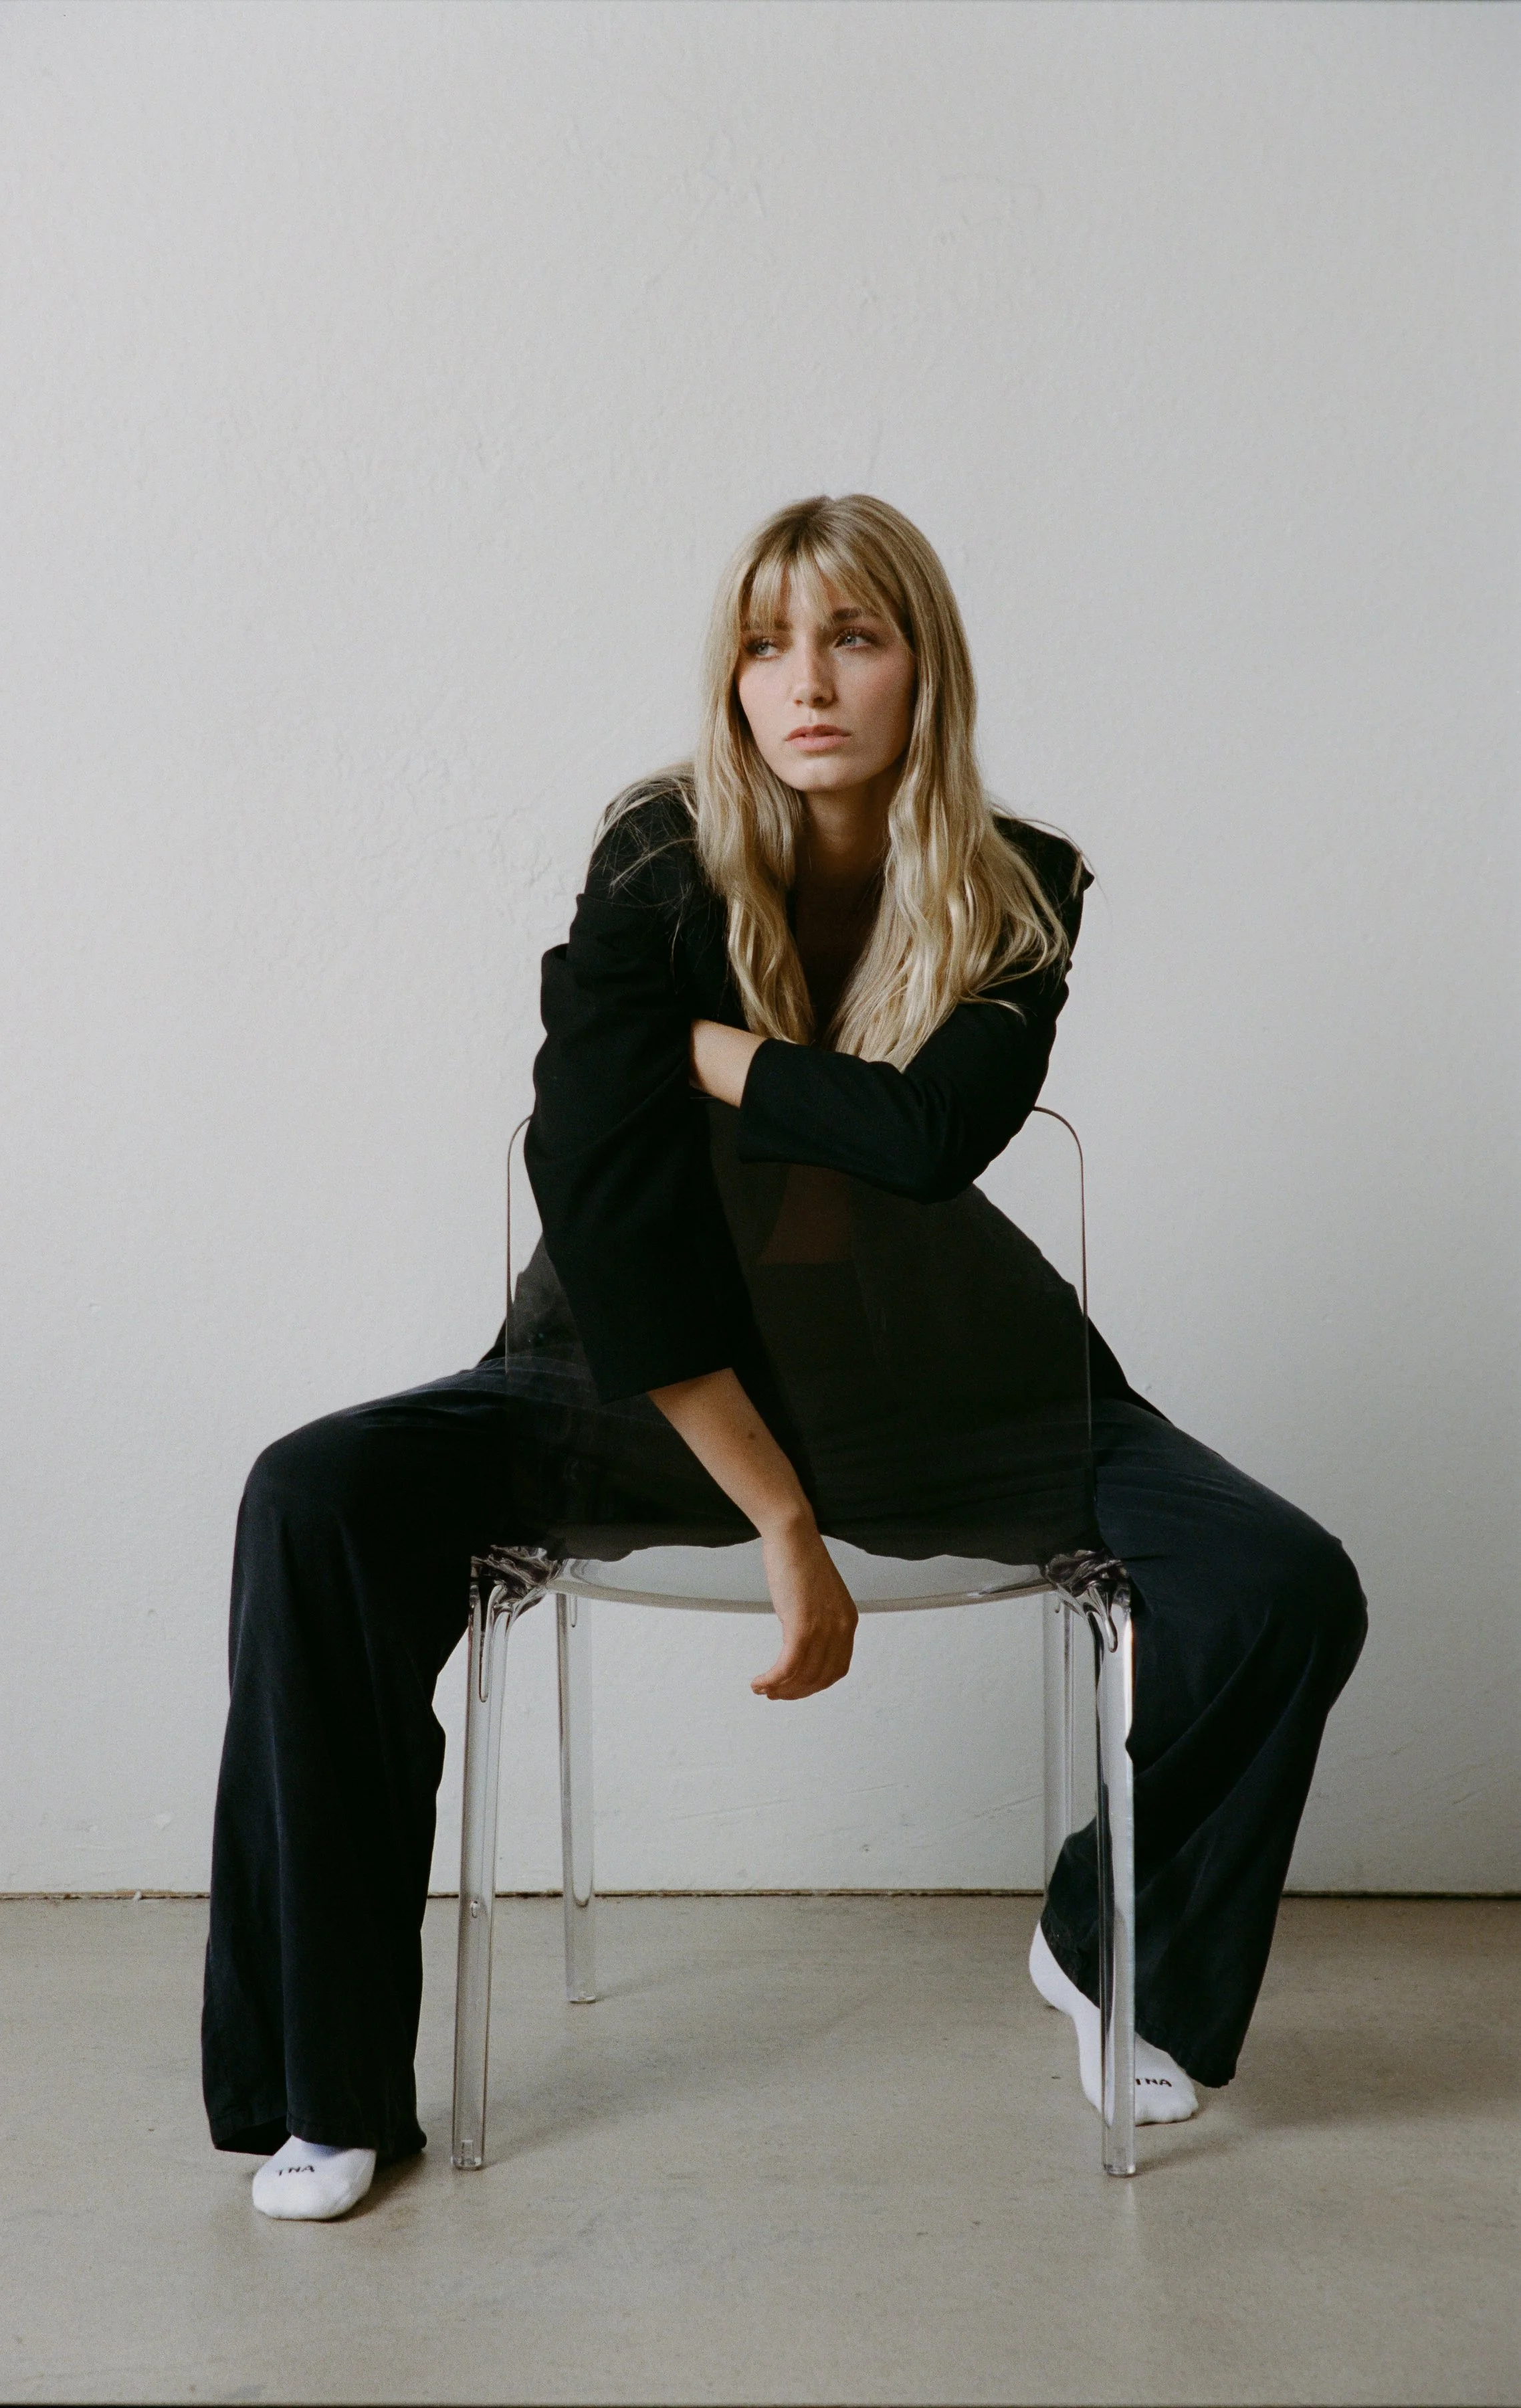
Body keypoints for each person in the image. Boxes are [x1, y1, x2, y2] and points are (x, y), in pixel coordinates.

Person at [203, 494, 1367, 2221]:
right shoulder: (655, 857)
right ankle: (330, 2089)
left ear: (925, 667)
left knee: (1288, 1584)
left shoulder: (1020, 884)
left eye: (853, 636)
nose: (805, 679)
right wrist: (783, 1525)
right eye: (767, 642)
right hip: (632, 1381)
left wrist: (708, 1050)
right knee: (311, 1497)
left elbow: (922, 1142)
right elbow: (605, 1198)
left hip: (947, 1379)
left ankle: (1109, 1943)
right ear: (731, 680)